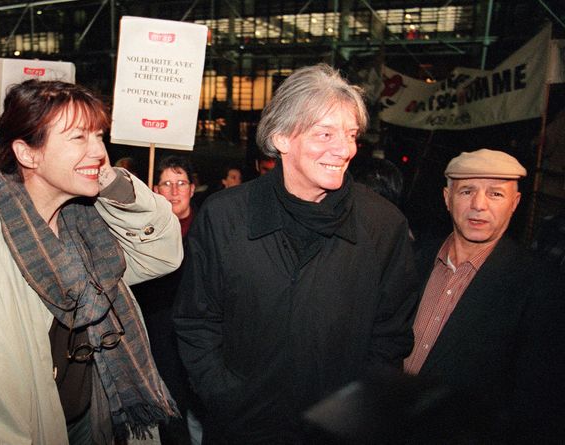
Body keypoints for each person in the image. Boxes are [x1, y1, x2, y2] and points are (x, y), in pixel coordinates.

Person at [173, 63, 419, 444]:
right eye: (326, 133)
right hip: (243, 429)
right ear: (281, 138)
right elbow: (196, 322)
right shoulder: (224, 217)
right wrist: (227, 396)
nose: (345, 149)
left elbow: (390, 338)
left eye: (351, 135)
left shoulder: (383, 226)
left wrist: (352, 412)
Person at [0, 80, 183, 444]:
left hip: (96, 417)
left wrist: (109, 183)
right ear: (28, 154)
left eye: (98, 135)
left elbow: (161, 255)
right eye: (79, 138)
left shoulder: (84, 222)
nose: (99, 151)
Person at [404, 149, 565, 443]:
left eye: (495, 194)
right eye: (467, 191)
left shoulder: (540, 286)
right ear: (446, 198)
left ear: (515, 203)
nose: (479, 205)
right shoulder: (412, 260)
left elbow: (537, 408)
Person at [132, 155, 201, 445]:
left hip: (196, 337)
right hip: (157, 335)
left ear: (192, 189)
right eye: (166, 183)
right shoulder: (143, 233)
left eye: (181, 182)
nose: (174, 191)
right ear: (155, 189)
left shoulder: (205, 230)